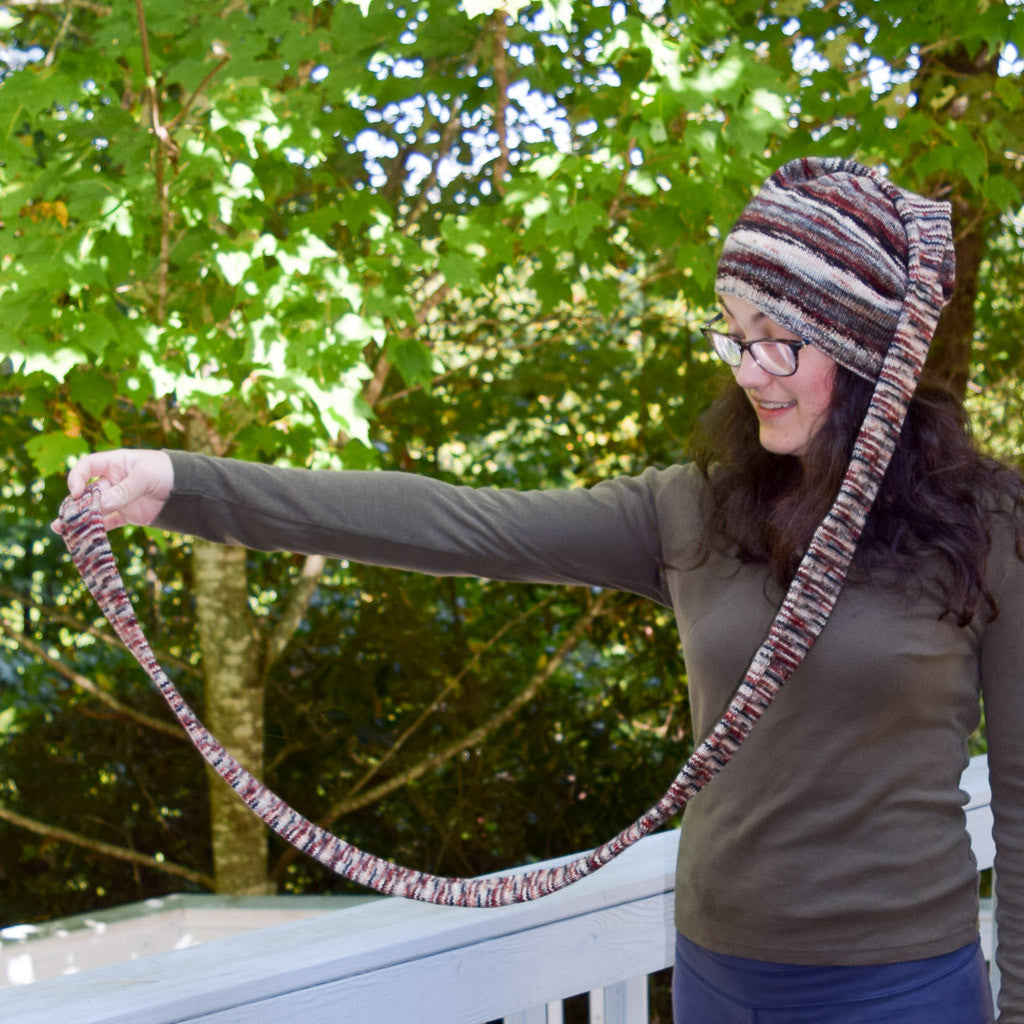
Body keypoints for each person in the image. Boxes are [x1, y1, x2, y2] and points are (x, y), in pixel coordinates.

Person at [55, 158, 1024, 1024]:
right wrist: (182, 487)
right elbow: (454, 522)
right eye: (732, 336)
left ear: (862, 348)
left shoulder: (988, 528)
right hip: (717, 974)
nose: (748, 372)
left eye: (777, 342)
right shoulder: (690, 512)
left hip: (899, 986)